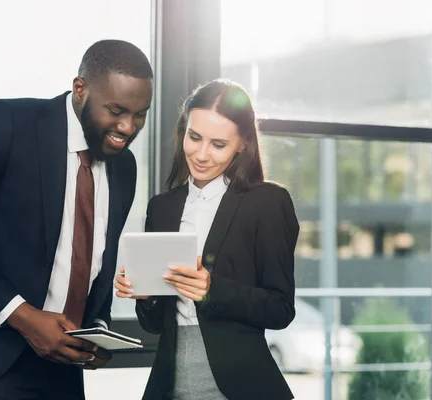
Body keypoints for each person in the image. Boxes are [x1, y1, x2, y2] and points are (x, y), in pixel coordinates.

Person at [0, 39, 153, 400]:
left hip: (63, 361)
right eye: (116, 110)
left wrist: (97, 328)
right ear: (80, 89)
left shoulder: (124, 166)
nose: (127, 127)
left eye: (140, 114)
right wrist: (23, 317)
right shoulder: (5, 122)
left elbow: (95, 259)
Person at [116, 79, 299, 400]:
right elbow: (158, 324)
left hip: (241, 384)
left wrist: (211, 290)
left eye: (218, 144)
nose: (201, 155)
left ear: (242, 144)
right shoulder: (162, 207)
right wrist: (145, 296)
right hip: (170, 381)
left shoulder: (268, 202)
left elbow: (280, 310)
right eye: (194, 137)